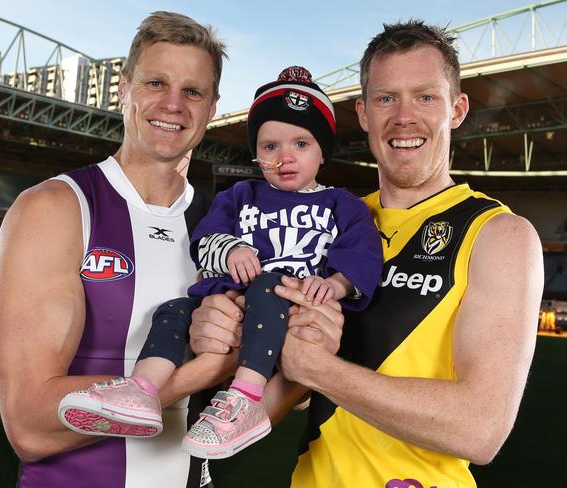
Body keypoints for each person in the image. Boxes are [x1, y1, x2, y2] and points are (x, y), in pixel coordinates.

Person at [192, 20, 544, 488]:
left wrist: (321, 369)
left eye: (425, 96)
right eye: (385, 98)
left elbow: (480, 429)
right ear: (362, 113)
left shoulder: (499, 234)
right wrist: (227, 349)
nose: (403, 116)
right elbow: (287, 393)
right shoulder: (331, 222)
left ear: (456, 109)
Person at [58, 66, 383, 460]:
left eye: (301, 143)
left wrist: (336, 285)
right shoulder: (239, 194)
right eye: (269, 147)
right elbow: (204, 241)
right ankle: (141, 392)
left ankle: (246, 398)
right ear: (256, 154)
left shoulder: (341, 204)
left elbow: (365, 253)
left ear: (322, 151)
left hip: (287, 307)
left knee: (269, 282)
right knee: (175, 309)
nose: (284, 157)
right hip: (227, 307)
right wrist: (229, 250)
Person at [0, 11, 236, 488]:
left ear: (212, 106)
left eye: (193, 91)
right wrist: (198, 373)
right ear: (123, 88)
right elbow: (29, 427)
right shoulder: (57, 208)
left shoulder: (221, 230)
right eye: (155, 83)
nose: (173, 105)